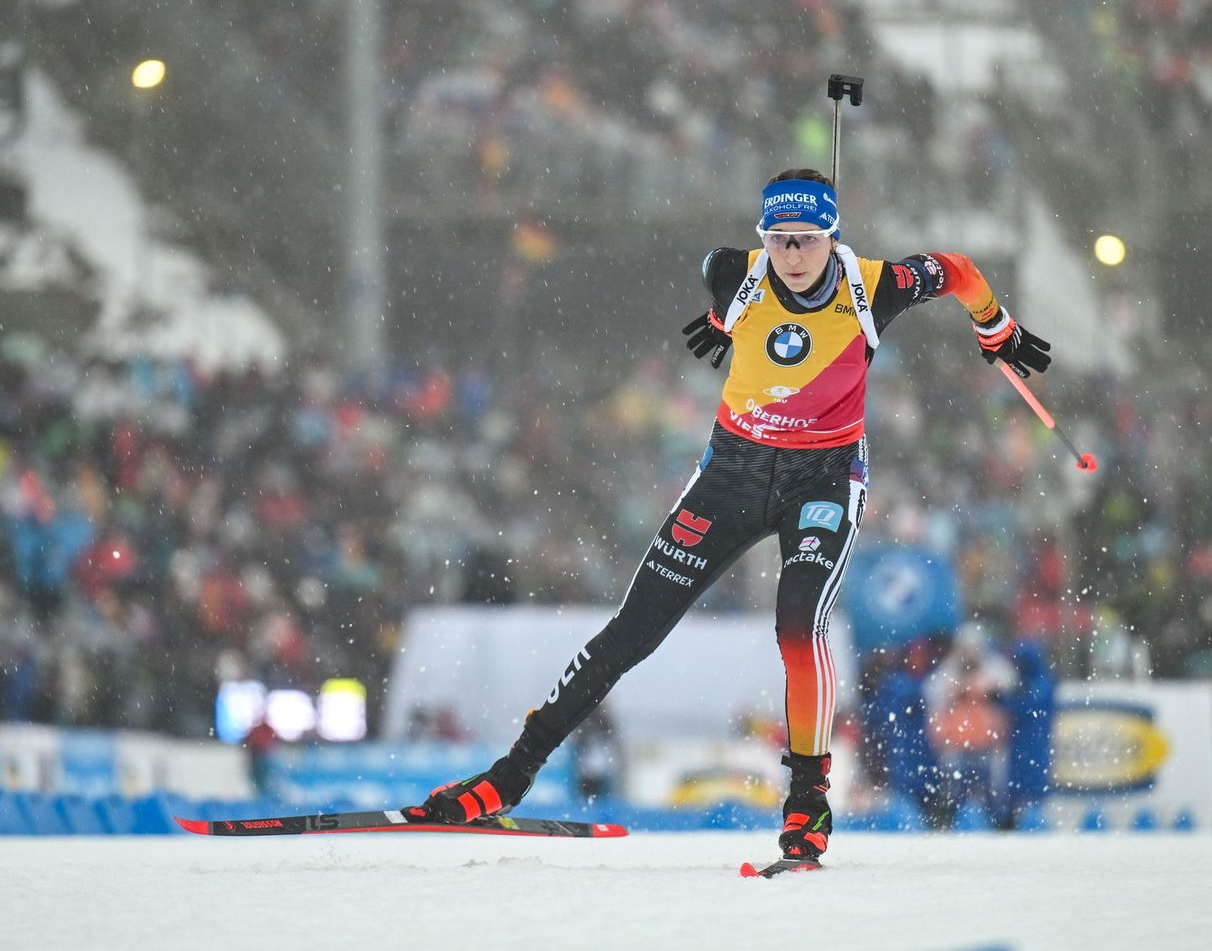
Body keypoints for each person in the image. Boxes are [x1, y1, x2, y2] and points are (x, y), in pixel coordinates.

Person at [407, 167, 1051, 867]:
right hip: (732, 475)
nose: (793, 256)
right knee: (632, 633)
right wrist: (721, 323)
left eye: (807, 241)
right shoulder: (733, 271)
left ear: (832, 238)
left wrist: (996, 327)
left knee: (798, 624)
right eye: (779, 241)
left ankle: (807, 802)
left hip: (824, 478)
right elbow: (716, 281)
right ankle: (508, 778)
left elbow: (957, 270)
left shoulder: (876, 284)